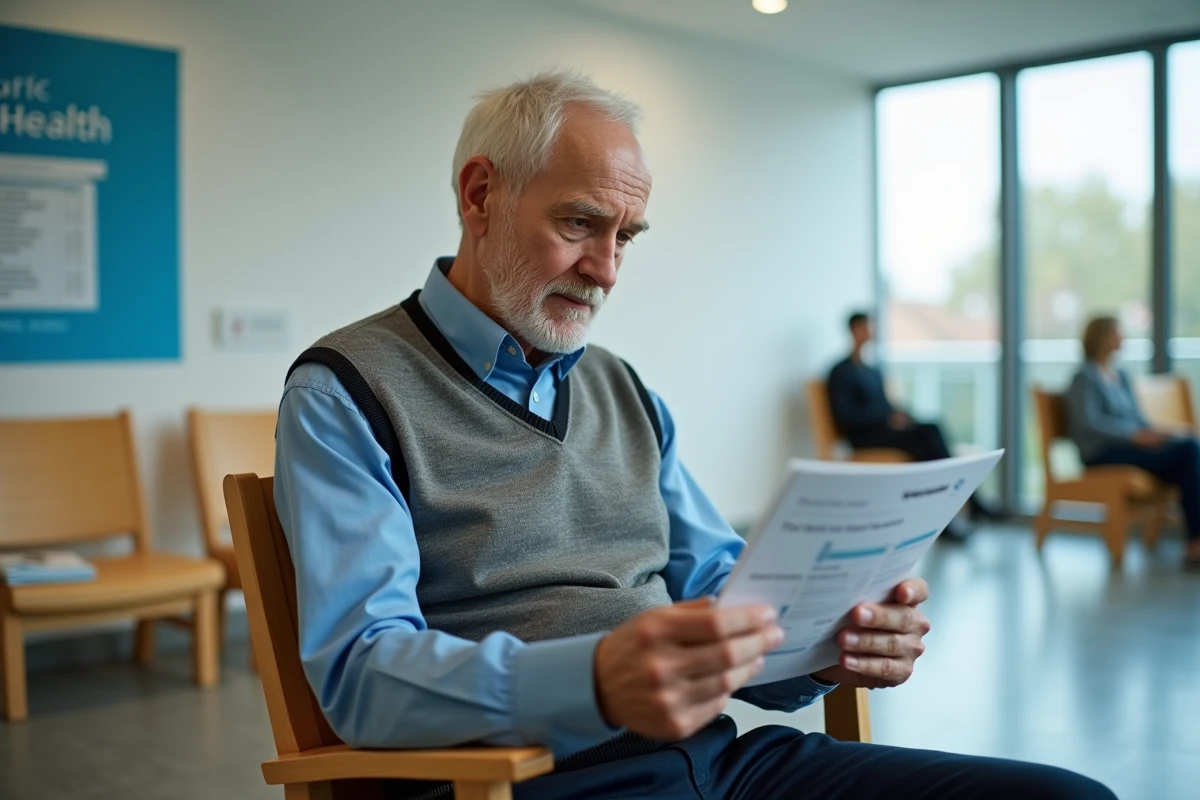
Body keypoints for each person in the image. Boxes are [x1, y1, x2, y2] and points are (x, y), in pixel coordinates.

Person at [273, 71, 1113, 799]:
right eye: (579, 224)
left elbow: (723, 588)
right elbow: (363, 676)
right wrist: (593, 681)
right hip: (535, 782)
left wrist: (827, 644)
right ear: (480, 194)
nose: (606, 269)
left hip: (723, 763)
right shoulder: (346, 391)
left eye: (625, 237)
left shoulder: (623, 389)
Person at [826, 311, 1003, 538]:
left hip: (886, 430)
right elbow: (847, 416)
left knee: (931, 431)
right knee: (929, 439)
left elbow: (885, 405)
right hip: (865, 437)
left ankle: (952, 515)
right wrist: (886, 418)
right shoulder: (840, 372)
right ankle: (963, 508)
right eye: (865, 326)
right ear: (854, 330)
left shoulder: (872, 370)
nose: (870, 331)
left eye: (871, 326)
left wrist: (899, 414)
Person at [1066, 315, 1200, 568]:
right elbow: (1089, 422)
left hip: (1131, 447)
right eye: (1117, 333)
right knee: (1189, 454)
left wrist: (1164, 433)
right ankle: (1196, 540)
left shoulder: (1121, 375)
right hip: (1103, 453)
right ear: (1102, 338)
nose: (1122, 338)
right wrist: (1132, 435)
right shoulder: (1084, 377)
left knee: (1188, 448)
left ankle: (1195, 539)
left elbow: (1139, 419)